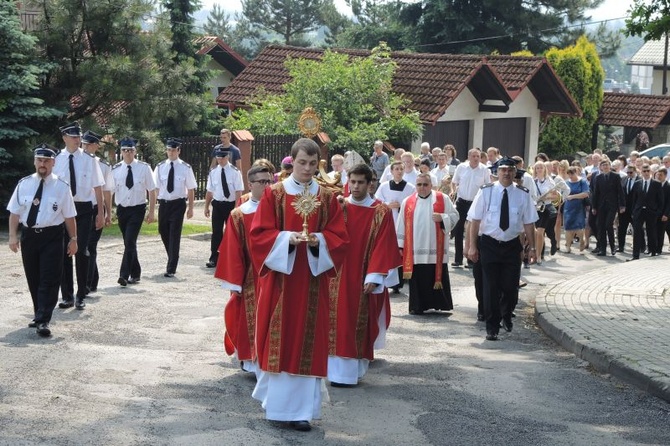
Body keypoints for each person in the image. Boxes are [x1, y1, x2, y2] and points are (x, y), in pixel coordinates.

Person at [249, 138, 349, 432]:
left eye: (312, 163)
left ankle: (303, 411)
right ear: (293, 162)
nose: (307, 169)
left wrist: (321, 240)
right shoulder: (274, 195)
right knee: (282, 337)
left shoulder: (327, 197)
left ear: (318, 163)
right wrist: (285, 239)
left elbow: (340, 237)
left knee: (309, 341)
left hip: (312, 280)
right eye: (301, 163)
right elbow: (259, 234)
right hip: (283, 281)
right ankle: (278, 406)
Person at [328, 164, 401, 386]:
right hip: (335, 273)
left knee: (355, 320)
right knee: (334, 321)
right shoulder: (339, 207)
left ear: (370, 184)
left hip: (362, 276)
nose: (356, 186)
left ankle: (352, 371)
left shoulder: (380, 211)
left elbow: (384, 245)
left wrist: (375, 276)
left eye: (361, 182)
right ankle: (334, 373)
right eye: (353, 182)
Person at [7, 145, 77, 337]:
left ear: (53, 163)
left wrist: (73, 239)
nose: (42, 164)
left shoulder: (62, 187)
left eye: (46, 161)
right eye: (39, 160)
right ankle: (39, 313)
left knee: (49, 277)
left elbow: (69, 216)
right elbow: (14, 212)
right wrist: (13, 235)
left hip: (53, 236)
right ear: (35, 162)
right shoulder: (24, 184)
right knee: (34, 277)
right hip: (29, 236)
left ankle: (44, 319)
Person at [467, 157, 537, 341]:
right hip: (489, 244)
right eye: (503, 170)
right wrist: (472, 246)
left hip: (512, 245)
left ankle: (507, 314)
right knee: (490, 286)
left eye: (510, 170)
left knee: (510, 286)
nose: (506, 173)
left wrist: (533, 248)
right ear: (496, 172)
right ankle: (492, 326)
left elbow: (529, 223)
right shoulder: (486, 192)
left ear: (515, 173)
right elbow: (474, 221)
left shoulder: (523, 194)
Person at [215, 165, 273, 376]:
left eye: (269, 181)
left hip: (276, 275)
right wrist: (235, 282)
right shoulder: (240, 214)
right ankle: (250, 360)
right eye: (262, 182)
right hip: (250, 277)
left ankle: (270, 360)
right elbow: (232, 249)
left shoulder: (279, 211)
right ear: (250, 185)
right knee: (249, 318)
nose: (267, 186)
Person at [53, 122, 105, 311]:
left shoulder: (89, 160)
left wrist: (100, 212)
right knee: (64, 253)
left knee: (81, 251)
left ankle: (81, 295)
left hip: (83, 210)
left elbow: (98, 187)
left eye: (78, 137)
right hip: (62, 211)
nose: (77, 140)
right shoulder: (56, 159)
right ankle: (67, 296)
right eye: (73, 137)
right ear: (64, 138)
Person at [397, 173, 459, 315]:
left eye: (425, 184)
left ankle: (440, 304)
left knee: (435, 274)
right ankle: (418, 306)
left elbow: (456, 216)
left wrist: (443, 218)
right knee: (418, 277)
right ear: (416, 186)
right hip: (415, 249)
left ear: (431, 185)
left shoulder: (442, 198)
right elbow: (400, 224)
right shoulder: (408, 201)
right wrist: (400, 245)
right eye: (419, 184)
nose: (422, 187)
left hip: (436, 248)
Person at [110, 137, 157, 286]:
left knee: (130, 240)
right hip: (122, 210)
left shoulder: (144, 168)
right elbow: (110, 191)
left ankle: (124, 275)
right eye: (124, 150)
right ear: (121, 152)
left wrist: (151, 212)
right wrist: (107, 211)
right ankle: (136, 272)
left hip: (138, 209)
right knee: (128, 242)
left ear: (135, 151)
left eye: (130, 150)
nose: (128, 153)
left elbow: (152, 190)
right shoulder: (116, 169)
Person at [153, 138, 196, 277]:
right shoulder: (160, 167)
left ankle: (171, 266)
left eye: (173, 150)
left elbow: (190, 189)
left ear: (179, 151)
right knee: (163, 230)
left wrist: (190, 208)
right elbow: (155, 187)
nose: (171, 153)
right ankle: (172, 255)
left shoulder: (185, 167)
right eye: (169, 150)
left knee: (174, 233)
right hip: (164, 204)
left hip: (178, 203)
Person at [375, 160, 415, 293]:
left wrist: (402, 206)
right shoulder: (384, 186)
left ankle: (398, 283)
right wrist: (387, 205)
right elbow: (377, 202)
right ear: (391, 171)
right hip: (387, 222)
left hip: (402, 223)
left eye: (401, 169)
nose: (399, 171)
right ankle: (385, 278)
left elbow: (413, 203)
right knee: (387, 250)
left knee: (400, 251)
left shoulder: (410, 187)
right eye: (396, 169)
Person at [81, 130, 114, 295]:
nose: (85, 147)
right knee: (83, 246)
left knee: (90, 245)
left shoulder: (103, 166)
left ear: (96, 146)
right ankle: (92, 279)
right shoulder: (77, 161)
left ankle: (87, 283)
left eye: (89, 144)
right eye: (83, 143)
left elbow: (107, 191)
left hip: (95, 209)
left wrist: (108, 213)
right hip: (79, 209)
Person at [204, 147, 244, 268]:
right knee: (216, 232)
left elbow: (238, 191)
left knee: (231, 232)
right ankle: (214, 258)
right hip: (217, 204)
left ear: (227, 157)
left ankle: (232, 257)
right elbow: (210, 191)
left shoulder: (235, 172)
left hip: (230, 205)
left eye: (222, 157)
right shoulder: (213, 172)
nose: (220, 160)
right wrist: (206, 206)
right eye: (218, 157)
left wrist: (236, 208)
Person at [450, 148, 491, 267]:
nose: (476, 158)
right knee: (458, 230)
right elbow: (454, 182)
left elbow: (488, 186)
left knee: (473, 231)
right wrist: (453, 191)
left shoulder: (484, 170)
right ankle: (458, 259)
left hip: (476, 203)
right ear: (469, 157)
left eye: (478, 156)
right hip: (462, 202)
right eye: (473, 156)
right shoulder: (461, 167)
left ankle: (471, 259)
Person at [591, 158, 625, 257]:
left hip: (612, 205)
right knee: (601, 226)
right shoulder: (598, 177)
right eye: (603, 165)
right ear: (601, 167)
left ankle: (613, 246)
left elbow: (620, 191)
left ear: (610, 166)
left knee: (608, 224)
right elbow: (595, 193)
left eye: (607, 165)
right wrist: (594, 206)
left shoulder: (615, 176)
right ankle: (602, 249)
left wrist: (622, 205)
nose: (605, 167)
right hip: (601, 205)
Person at [629, 164, 663, 261]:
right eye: (644, 171)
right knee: (637, 233)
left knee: (651, 232)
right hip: (639, 211)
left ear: (651, 172)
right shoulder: (637, 183)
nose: (646, 173)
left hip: (651, 211)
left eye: (648, 171)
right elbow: (634, 199)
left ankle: (652, 252)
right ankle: (635, 255)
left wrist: (658, 212)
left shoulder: (656, 184)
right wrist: (633, 211)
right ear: (641, 172)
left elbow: (660, 200)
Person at [532, 161, 557, 263]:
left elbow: (555, 196)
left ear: (544, 169)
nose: (539, 170)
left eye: (541, 168)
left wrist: (546, 197)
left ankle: (538, 256)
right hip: (535, 208)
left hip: (545, 208)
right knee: (536, 233)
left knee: (540, 232)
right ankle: (538, 253)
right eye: (537, 168)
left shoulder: (549, 181)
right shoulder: (533, 181)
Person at [562, 167, 590, 253]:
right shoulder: (566, 182)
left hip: (579, 207)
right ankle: (568, 246)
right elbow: (563, 194)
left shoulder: (582, 182)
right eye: (569, 174)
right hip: (568, 207)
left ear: (576, 172)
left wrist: (573, 196)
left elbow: (586, 194)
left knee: (579, 227)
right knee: (567, 226)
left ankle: (582, 241)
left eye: (572, 174)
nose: (570, 176)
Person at [618, 165, 640, 252]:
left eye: (631, 172)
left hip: (635, 209)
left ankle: (640, 247)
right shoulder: (623, 179)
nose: (629, 174)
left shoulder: (640, 180)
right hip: (624, 209)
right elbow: (620, 194)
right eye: (627, 172)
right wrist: (621, 206)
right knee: (622, 228)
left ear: (635, 171)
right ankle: (621, 246)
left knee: (637, 229)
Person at [655, 167, 670, 254]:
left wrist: (666, 214)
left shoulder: (668, 186)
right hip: (657, 213)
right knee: (658, 231)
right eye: (658, 175)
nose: (659, 177)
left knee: (663, 232)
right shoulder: (656, 185)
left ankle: (658, 250)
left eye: (661, 175)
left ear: (665, 175)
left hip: (665, 214)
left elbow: (669, 202)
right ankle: (657, 249)